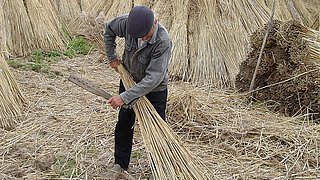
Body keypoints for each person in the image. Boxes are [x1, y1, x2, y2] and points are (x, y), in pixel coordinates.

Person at [103, 5, 172, 178]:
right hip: (129, 79)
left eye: (146, 35)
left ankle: (159, 168)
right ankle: (120, 163)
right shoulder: (127, 23)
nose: (142, 38)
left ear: (154, 23)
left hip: (155, 89)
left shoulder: (163, 41)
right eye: (138, 36)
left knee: (157, 129)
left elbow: (153, 78)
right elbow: (109, 29)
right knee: (124, 123)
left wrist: (125, 97)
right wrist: (112, 57)